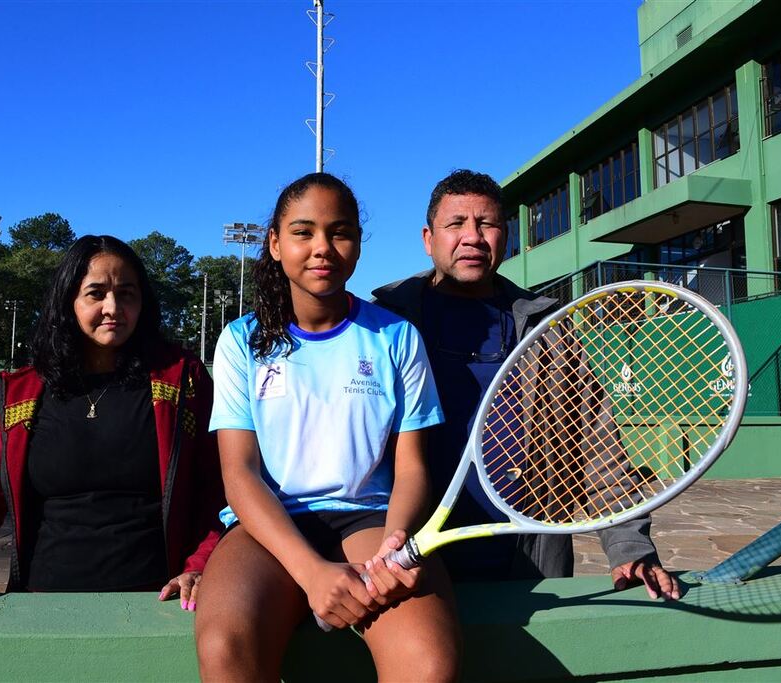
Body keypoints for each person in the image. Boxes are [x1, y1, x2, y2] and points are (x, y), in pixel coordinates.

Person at [195, 173, 460, 682]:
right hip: (270, 528)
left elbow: (411, 468)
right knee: (225, 646)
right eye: (303, 232)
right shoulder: (240, 341)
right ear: (274, 243)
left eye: (339, 232)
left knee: (428, 663)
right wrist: (310, 573)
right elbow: (240, 475)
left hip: (370, 522)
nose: (322, 248)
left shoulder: (397, 337)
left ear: (358, 244)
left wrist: (396, 547)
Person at [372, 169, 680, 601]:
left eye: (488, 224)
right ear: (428, 238)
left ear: (506, 236)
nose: (473, 237)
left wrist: (629, 547)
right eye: (456, 223)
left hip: (531, 562)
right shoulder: (382, 325)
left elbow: (598, 444)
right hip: (410, 566)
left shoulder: (547, 328)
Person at [0, 235, 224, 613]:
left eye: (127, 294)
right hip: (41, 602)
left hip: (160, 602)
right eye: (96, 293)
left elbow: (219, 487)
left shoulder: (183, 380)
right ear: (68, 302)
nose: (113, 307)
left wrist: (201, 565)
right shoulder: (21, 391)